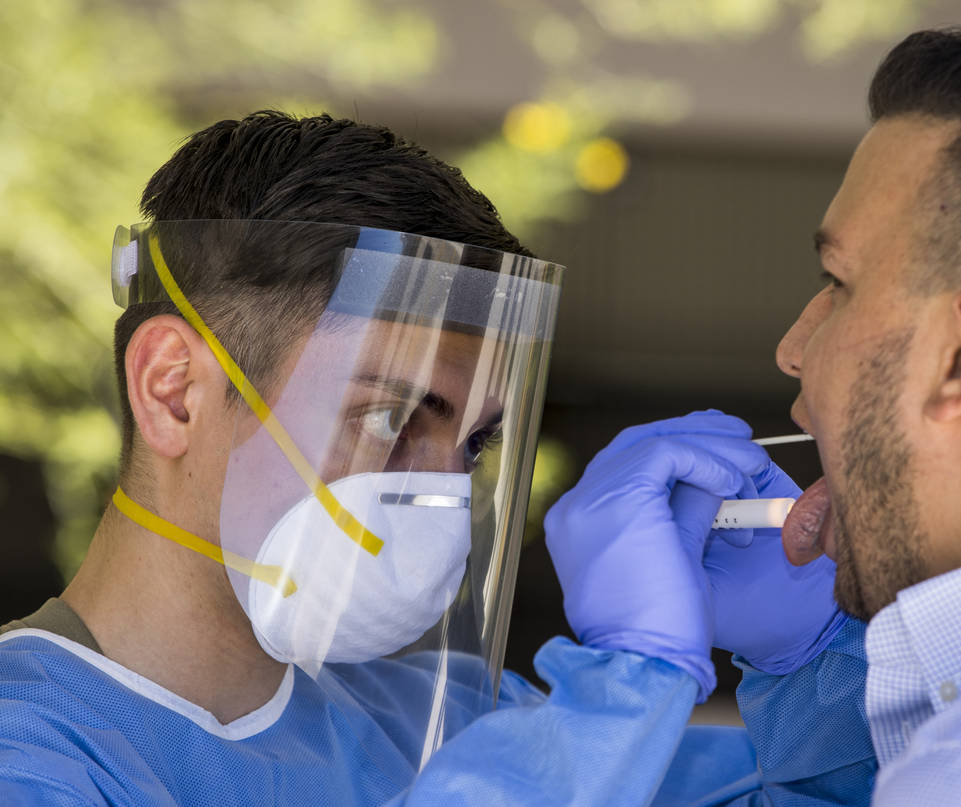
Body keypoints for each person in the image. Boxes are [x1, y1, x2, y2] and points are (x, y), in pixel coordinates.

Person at [0, 111, 795, 806]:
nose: (443, 492)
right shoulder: (30, 751)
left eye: (475, 443)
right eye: (389, 416)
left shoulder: (440, 724)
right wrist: (626, 688)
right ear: (175, 391)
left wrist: (811, 661)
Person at [546, 28, 961, 806]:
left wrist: (626, 681)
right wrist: (816, 667)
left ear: (960, 358)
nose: (794, 349)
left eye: (838, 282)